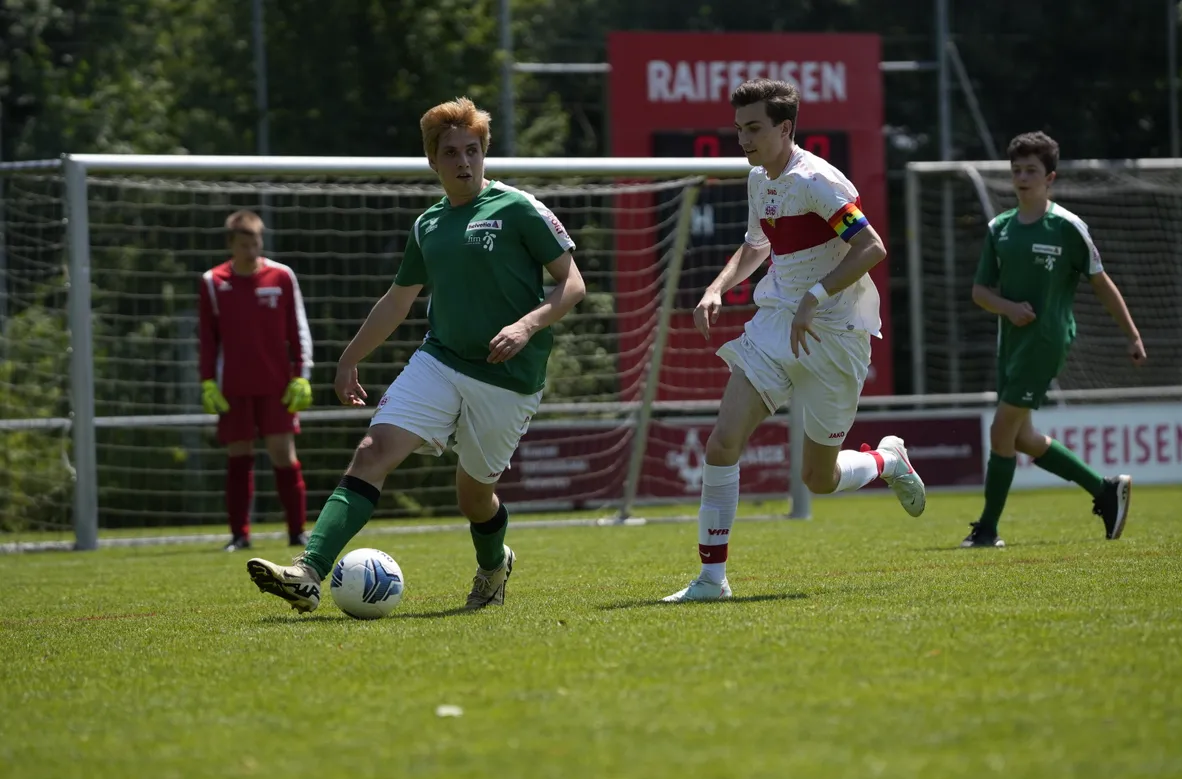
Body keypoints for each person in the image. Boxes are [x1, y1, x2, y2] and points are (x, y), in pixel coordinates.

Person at [246, 96, 585, 613]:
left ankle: (494, 566)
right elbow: (398, 300)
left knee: (473, 496)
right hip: (441, 360)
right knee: (372, 452)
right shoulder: (427, 226)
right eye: (451, 153)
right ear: (433, 160)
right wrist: (348, 358)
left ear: (484, 152)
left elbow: (573, 284)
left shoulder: (518, 208)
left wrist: (525, 324)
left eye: (472, 150)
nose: (464, 162)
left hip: (508, 375)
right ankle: (309, 572)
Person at [662, 79, 926, 603]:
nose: (743, 140)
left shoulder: (819, 180)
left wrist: (816, 296)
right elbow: (755, 246)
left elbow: (871, 247)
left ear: (785, 129)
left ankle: (888, 460)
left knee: (817, 479)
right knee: (722, 443)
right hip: (776, 323)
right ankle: (711, 580)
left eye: (754, 128)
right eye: (738, 129)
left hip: (835, 334)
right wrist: (716, 287)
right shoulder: (760, 178)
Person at [963, 131, 1145, 548]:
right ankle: (1104, 490)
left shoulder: (1067, 227)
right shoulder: (1000, 228)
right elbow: (980, 292)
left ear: (1051, 179)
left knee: (1001, 431)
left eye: (1031, 170)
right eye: (1017, 170)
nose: (1022, 177)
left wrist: (1132, 334)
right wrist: (1007, 308)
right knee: (1023, 438)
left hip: (1045, 341)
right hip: (1010, 342)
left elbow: (1101, 283)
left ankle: (987, 530)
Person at [198, 210, 313, 552]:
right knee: (238, 457)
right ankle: (239, 535)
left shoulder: (281, 276)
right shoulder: (212, 282)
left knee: (283, 454)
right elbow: (207, 338)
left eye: (256, 243)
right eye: (245, 244)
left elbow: (299, 329)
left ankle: (297, 532)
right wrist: (206, 382)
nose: (252, 250)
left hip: (278, 386)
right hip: (233, 387)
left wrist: (302, 377)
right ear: (231, 244)